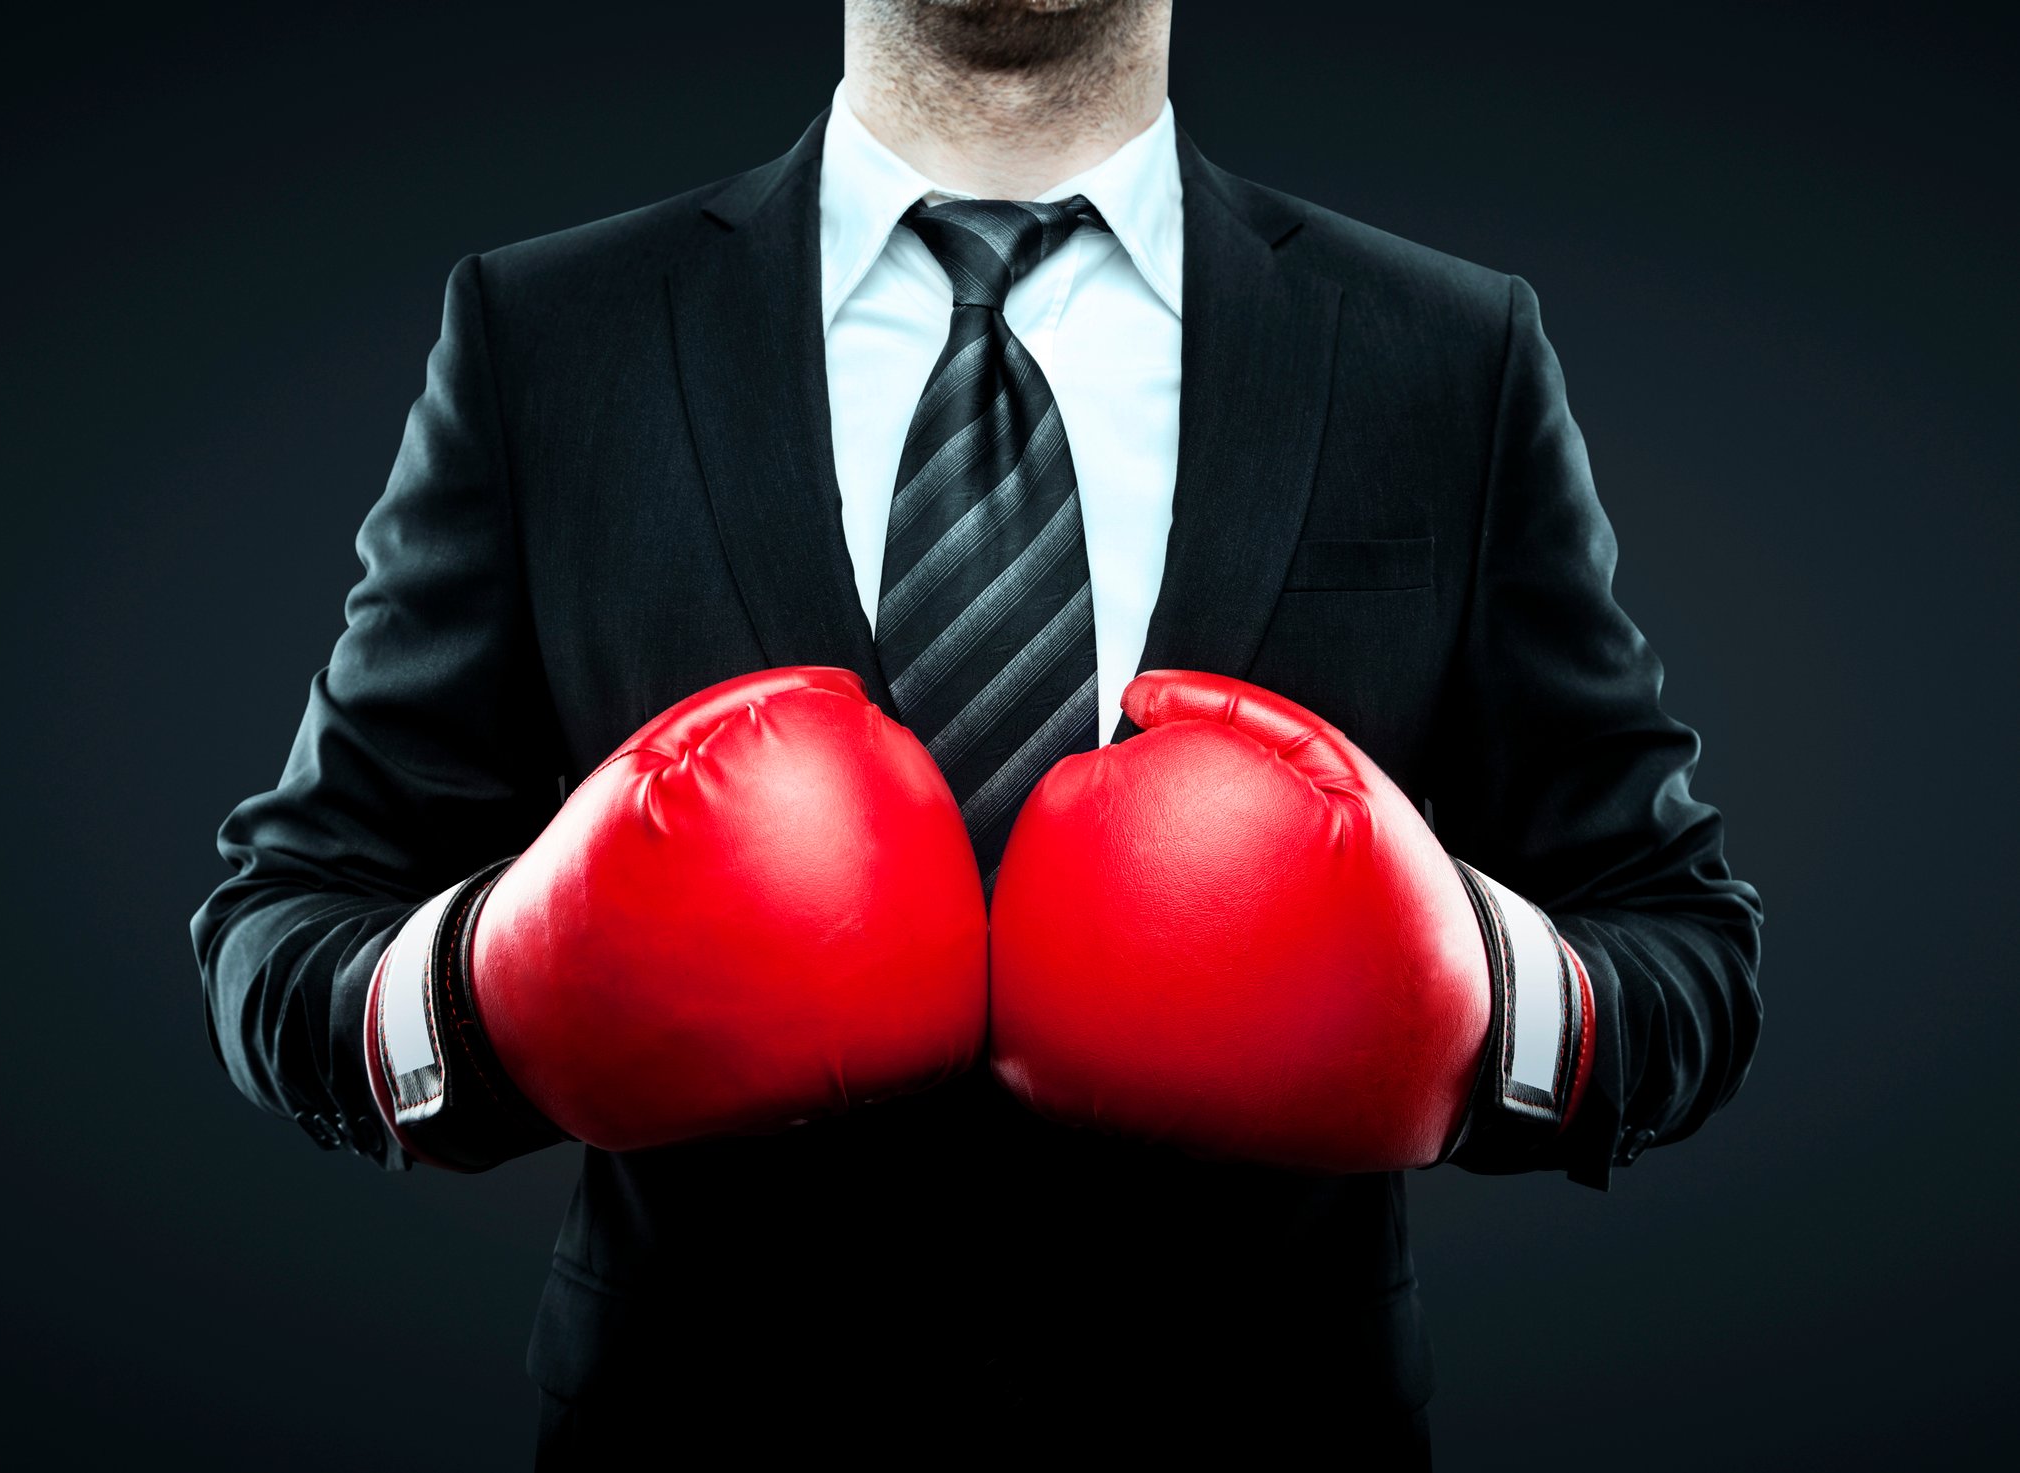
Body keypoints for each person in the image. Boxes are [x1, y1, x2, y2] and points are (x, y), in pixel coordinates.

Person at [192, 1, 1763, 1463]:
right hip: (691, 1430)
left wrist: (1478, 988)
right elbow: (284, 921)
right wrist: (491, 981)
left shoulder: (1445, 355)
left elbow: (1682, 941)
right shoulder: (551, 337)